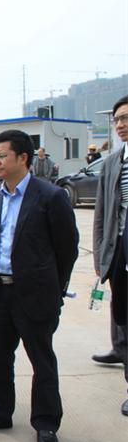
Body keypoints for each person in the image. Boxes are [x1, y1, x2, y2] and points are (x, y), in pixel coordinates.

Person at [0, 129, 78, 442]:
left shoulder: (50, 196)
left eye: (1, 155)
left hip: (35, 294)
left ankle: (46, 422)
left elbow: (67, 248)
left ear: (23, 157)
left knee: (41, 361)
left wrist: (55, 290)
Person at [92, 95, 128, 416]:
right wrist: (101, 255)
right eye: (117, 119)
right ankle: (122, 352)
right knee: (122, 311)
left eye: (125, 118)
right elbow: (102, 213)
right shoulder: (113, 162)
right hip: (119, 247)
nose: (120, 125)